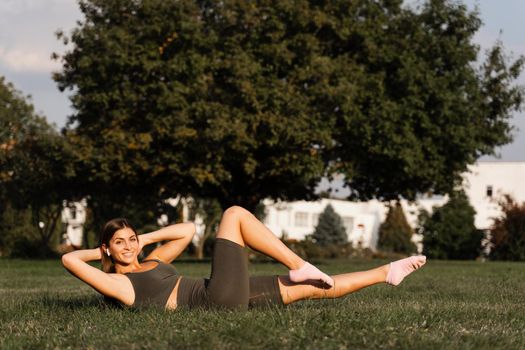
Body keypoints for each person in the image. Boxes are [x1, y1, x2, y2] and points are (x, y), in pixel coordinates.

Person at [62, 206, 426, 310]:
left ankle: (386, 272)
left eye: (131, 239)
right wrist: (104, 252)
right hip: (212, 299)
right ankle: (298, 265)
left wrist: (144, 239)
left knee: (316, 289)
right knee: (234, 214)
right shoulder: (117, 285)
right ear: (108, 248)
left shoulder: (152, 259)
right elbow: (70, 261)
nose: (128, 246)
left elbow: (187, 229)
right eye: (119, 243)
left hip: (221, 292)